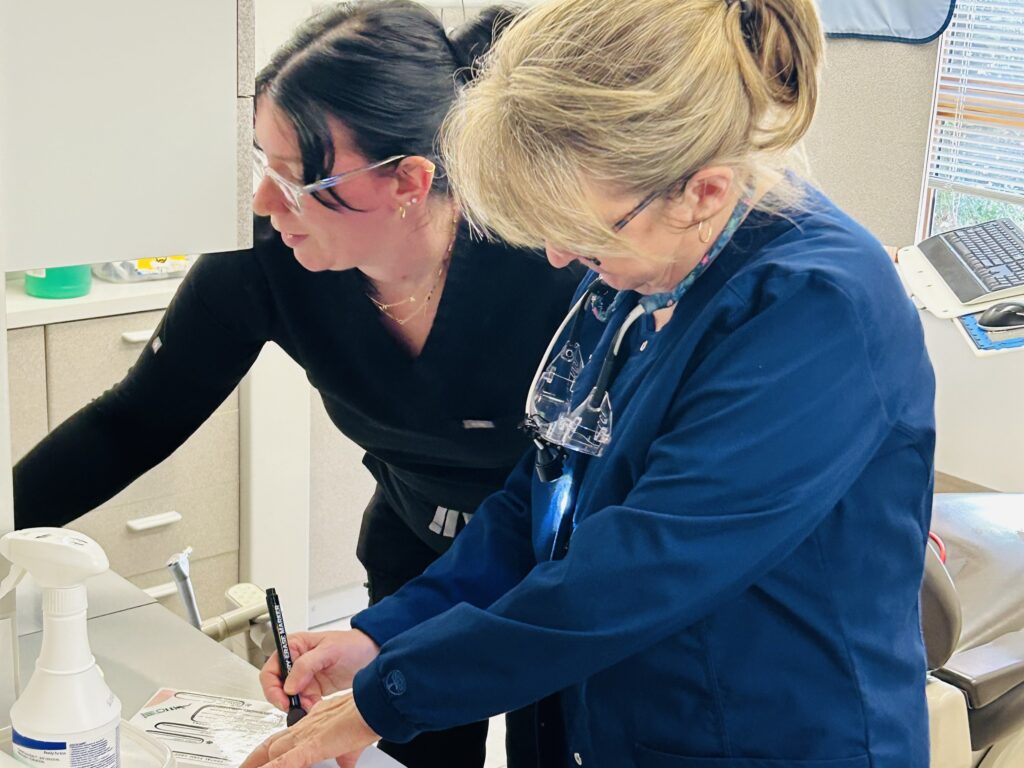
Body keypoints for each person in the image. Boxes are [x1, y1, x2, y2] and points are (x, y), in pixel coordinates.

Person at [241, 0, 938, 767]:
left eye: (580, 228)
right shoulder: (640, 264)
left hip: (766, 737)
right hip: (610, 724)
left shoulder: (816, 312)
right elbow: (541, 492)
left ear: (702, 191)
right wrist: (385, 634)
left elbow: (643, 568)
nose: (554, 255)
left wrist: (389, 698)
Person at [12, 2, 582, 767]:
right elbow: (129, 425)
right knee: (406, 753)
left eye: (295, 177)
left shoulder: (550, 264)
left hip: (562, 562)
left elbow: (582, 487)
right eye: (261, 165)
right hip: (415, 553)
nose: (262, 202)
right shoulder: (266, 261)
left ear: (409, 181)